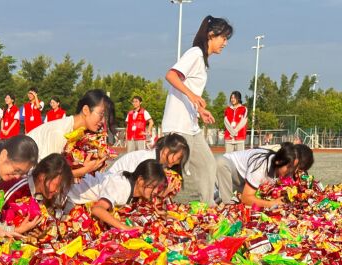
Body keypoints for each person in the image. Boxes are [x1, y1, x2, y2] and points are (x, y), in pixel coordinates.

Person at [161, 15, 233, 205]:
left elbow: (189, 89)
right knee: (171, 170)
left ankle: (207, 207)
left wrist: (200, 110)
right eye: (223, 38)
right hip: (178, 125)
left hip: (191, 125)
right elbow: (171, 75)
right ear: (211, 35)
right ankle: (153, 205)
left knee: (208, 164)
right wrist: (193, 96)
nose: (225, 43)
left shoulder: (202, 60)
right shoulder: (195, 54)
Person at [28, 89, 111, 178]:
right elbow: (48, 176)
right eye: (101, 114)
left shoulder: (79, 134)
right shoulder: (59, 133)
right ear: (86, 110)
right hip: (23, 182)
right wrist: (85, 170)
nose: (103, 121)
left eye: (105, 116)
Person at [67, 159, 166, 230]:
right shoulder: (122, 187)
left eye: (158, 187)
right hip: (68, 194)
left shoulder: (132, 186)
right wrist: (125, 228)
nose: (156, 191)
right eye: (153, 186)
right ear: (140, 180)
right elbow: (97, 209)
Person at [0, 153, 73, 233]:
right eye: (57, 185)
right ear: (42, 176)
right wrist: (16, 230)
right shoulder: (17, 189)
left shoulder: (46, 196)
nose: (57, 191)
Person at [215, 142, 307, 208]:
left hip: (246, 180)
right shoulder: (261, 165)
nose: (292, 171)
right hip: (233, 173)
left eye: (294, 167)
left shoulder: (287, 170)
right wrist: (270, 204)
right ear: (278, 162)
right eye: (289, 167)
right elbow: (246, 198)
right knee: (220, 163)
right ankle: (227, 203)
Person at [109, 133, 189, 176]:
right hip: (112, 184)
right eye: (178, 158)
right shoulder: (147, 159)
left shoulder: (159, 160)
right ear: (166, 150)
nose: (172, 165)